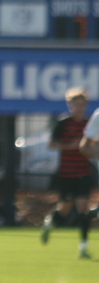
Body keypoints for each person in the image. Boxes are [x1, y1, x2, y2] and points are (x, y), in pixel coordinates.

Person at [41, 88, 93, 258]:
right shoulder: (63, 124)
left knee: (83, 209)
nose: (79, 107)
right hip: (66, 173)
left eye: (82, 104)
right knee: (64, 209)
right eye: (75, 104)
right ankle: (50, 223)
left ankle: (83, 247)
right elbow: (51, 144)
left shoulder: (89, 124)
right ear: (70, 105)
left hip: (83, 173)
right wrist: (69, 146)